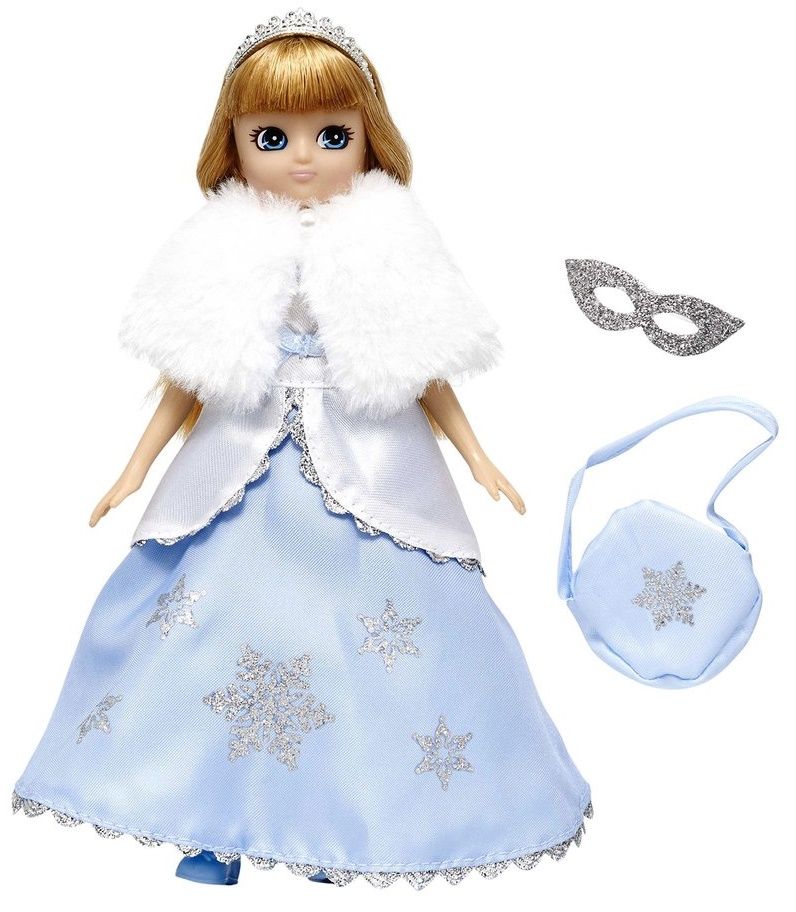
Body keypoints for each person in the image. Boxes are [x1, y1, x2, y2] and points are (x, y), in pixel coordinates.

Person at [11, 9, 592, 890]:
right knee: (209, 638)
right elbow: (190, 372)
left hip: (373, 462)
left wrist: (476, 455)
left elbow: (421, 366)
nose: (305, 159)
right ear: (234, 144)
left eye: (333, 134)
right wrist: (135, 467)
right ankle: (210, 827)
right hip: (240, 463)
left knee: (363, 649)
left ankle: (328, 832)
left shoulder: (390, 243)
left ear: (369, 137)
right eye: (273, 138)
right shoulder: (220, 247)